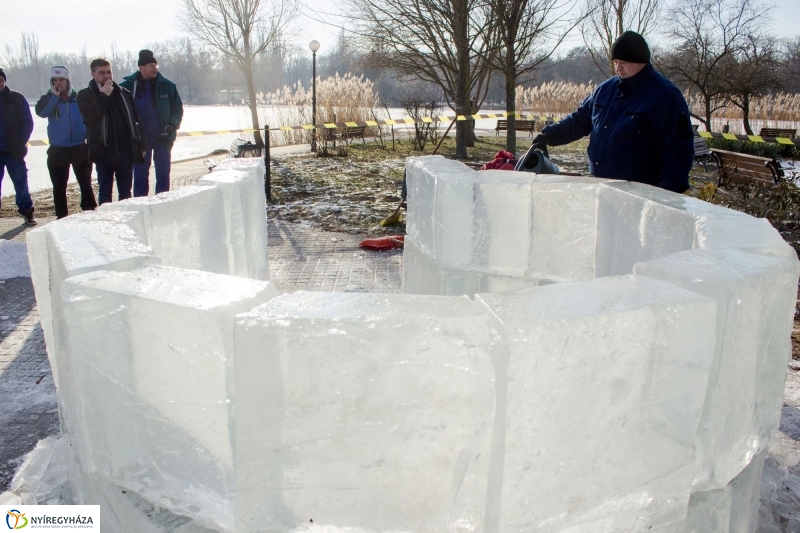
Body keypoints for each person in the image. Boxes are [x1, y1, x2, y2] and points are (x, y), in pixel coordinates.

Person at [529, 31, 694, 193]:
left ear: (640, 60)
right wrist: (551, 135)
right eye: (615, 62)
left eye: (623, 62)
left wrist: (669, 193)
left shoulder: (664, 96)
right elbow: (580, 120)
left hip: (643, 192)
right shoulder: (605, 90)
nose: (618, 68)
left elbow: (678, 148)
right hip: (603, 185)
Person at [77, 58, 146, 205]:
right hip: (103, 153)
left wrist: (142, 145)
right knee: (105, 192)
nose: (107, 76)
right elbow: (90, 116)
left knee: (126, 194)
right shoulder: (85, 95)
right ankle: (106, 224)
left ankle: (125, 223)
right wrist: (103, 95)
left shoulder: (123, 93)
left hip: (125, 152)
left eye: (109, 72)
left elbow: (137, 121)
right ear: (93, 74)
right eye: (102, 73)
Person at [35, 66, 97, 219]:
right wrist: (54, 97)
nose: (58, 83)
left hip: (79, 147)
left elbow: (90, 117)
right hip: (58, 150)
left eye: (61, 80)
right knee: (59, 187)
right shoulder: (48, 98)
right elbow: (41, 113)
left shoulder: (79, 97)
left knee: (85, 184)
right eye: (55, 80)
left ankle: (89, 212)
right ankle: (61, 216)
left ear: (68, 81)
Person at [120, 50, 183, 197]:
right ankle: (140, 207)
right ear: (141, 68)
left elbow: (177, 109)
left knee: (163, 174)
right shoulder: (128, 86)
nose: (154, 68)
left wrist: (172, 126)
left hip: (163, 138)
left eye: (155, 64)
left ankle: (162, 205)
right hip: (141, 140)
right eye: (150, 65)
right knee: (140, 176)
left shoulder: (167, 86)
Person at [0, 68, 36, 225]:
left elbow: (28, 122)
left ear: (4, 80)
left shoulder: (16, 98)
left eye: (0, 79)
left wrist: (21, 141)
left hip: (13, 151)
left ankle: (27, 211)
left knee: (21, 183)